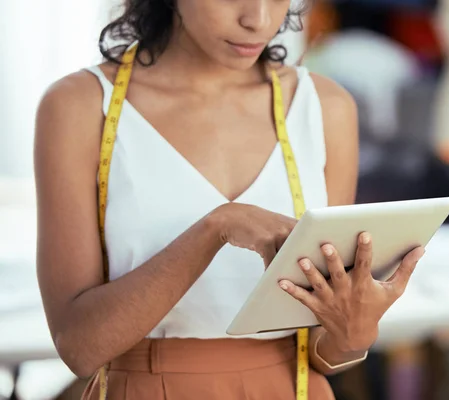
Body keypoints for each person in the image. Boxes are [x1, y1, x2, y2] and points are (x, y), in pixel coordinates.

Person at [33, 0, 425, 398]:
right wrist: (216, 228)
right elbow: (80, 348)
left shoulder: (324, 106)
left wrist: (353, 334)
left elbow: (321, 351)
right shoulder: (80, 106)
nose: (257, 21)